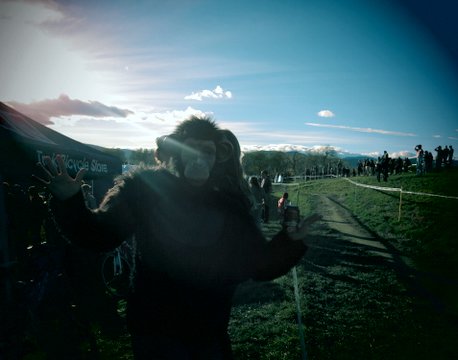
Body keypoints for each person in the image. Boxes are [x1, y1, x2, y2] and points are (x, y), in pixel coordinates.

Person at [35, 116, 320, 360]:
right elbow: (98, 236)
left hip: (209, 332)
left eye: (207, 152)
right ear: (177, 154)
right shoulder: (143, 189)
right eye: (192, 149)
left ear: (215, 158)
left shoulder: (229, 205)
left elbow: (258, 266)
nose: (200, 159)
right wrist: (70, 201)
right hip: (156, 332)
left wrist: (289, 242)